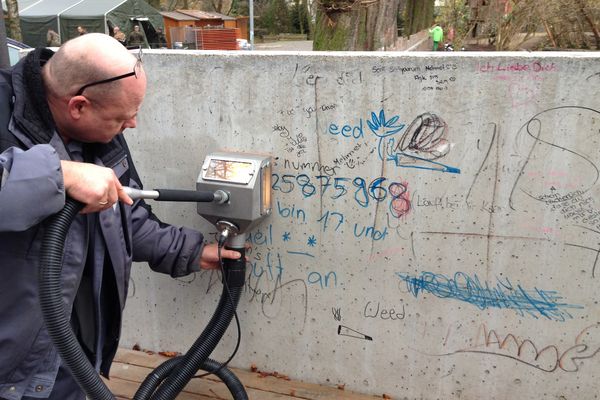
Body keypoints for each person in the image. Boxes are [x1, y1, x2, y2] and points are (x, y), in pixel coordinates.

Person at [0, 33, 242, 400]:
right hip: (11, 366)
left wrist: (191, 252)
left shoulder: (98, 130)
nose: (133, 125)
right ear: (78, 106)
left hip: (67, 353)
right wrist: (59, 175)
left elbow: (124, 211)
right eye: (123, 117)